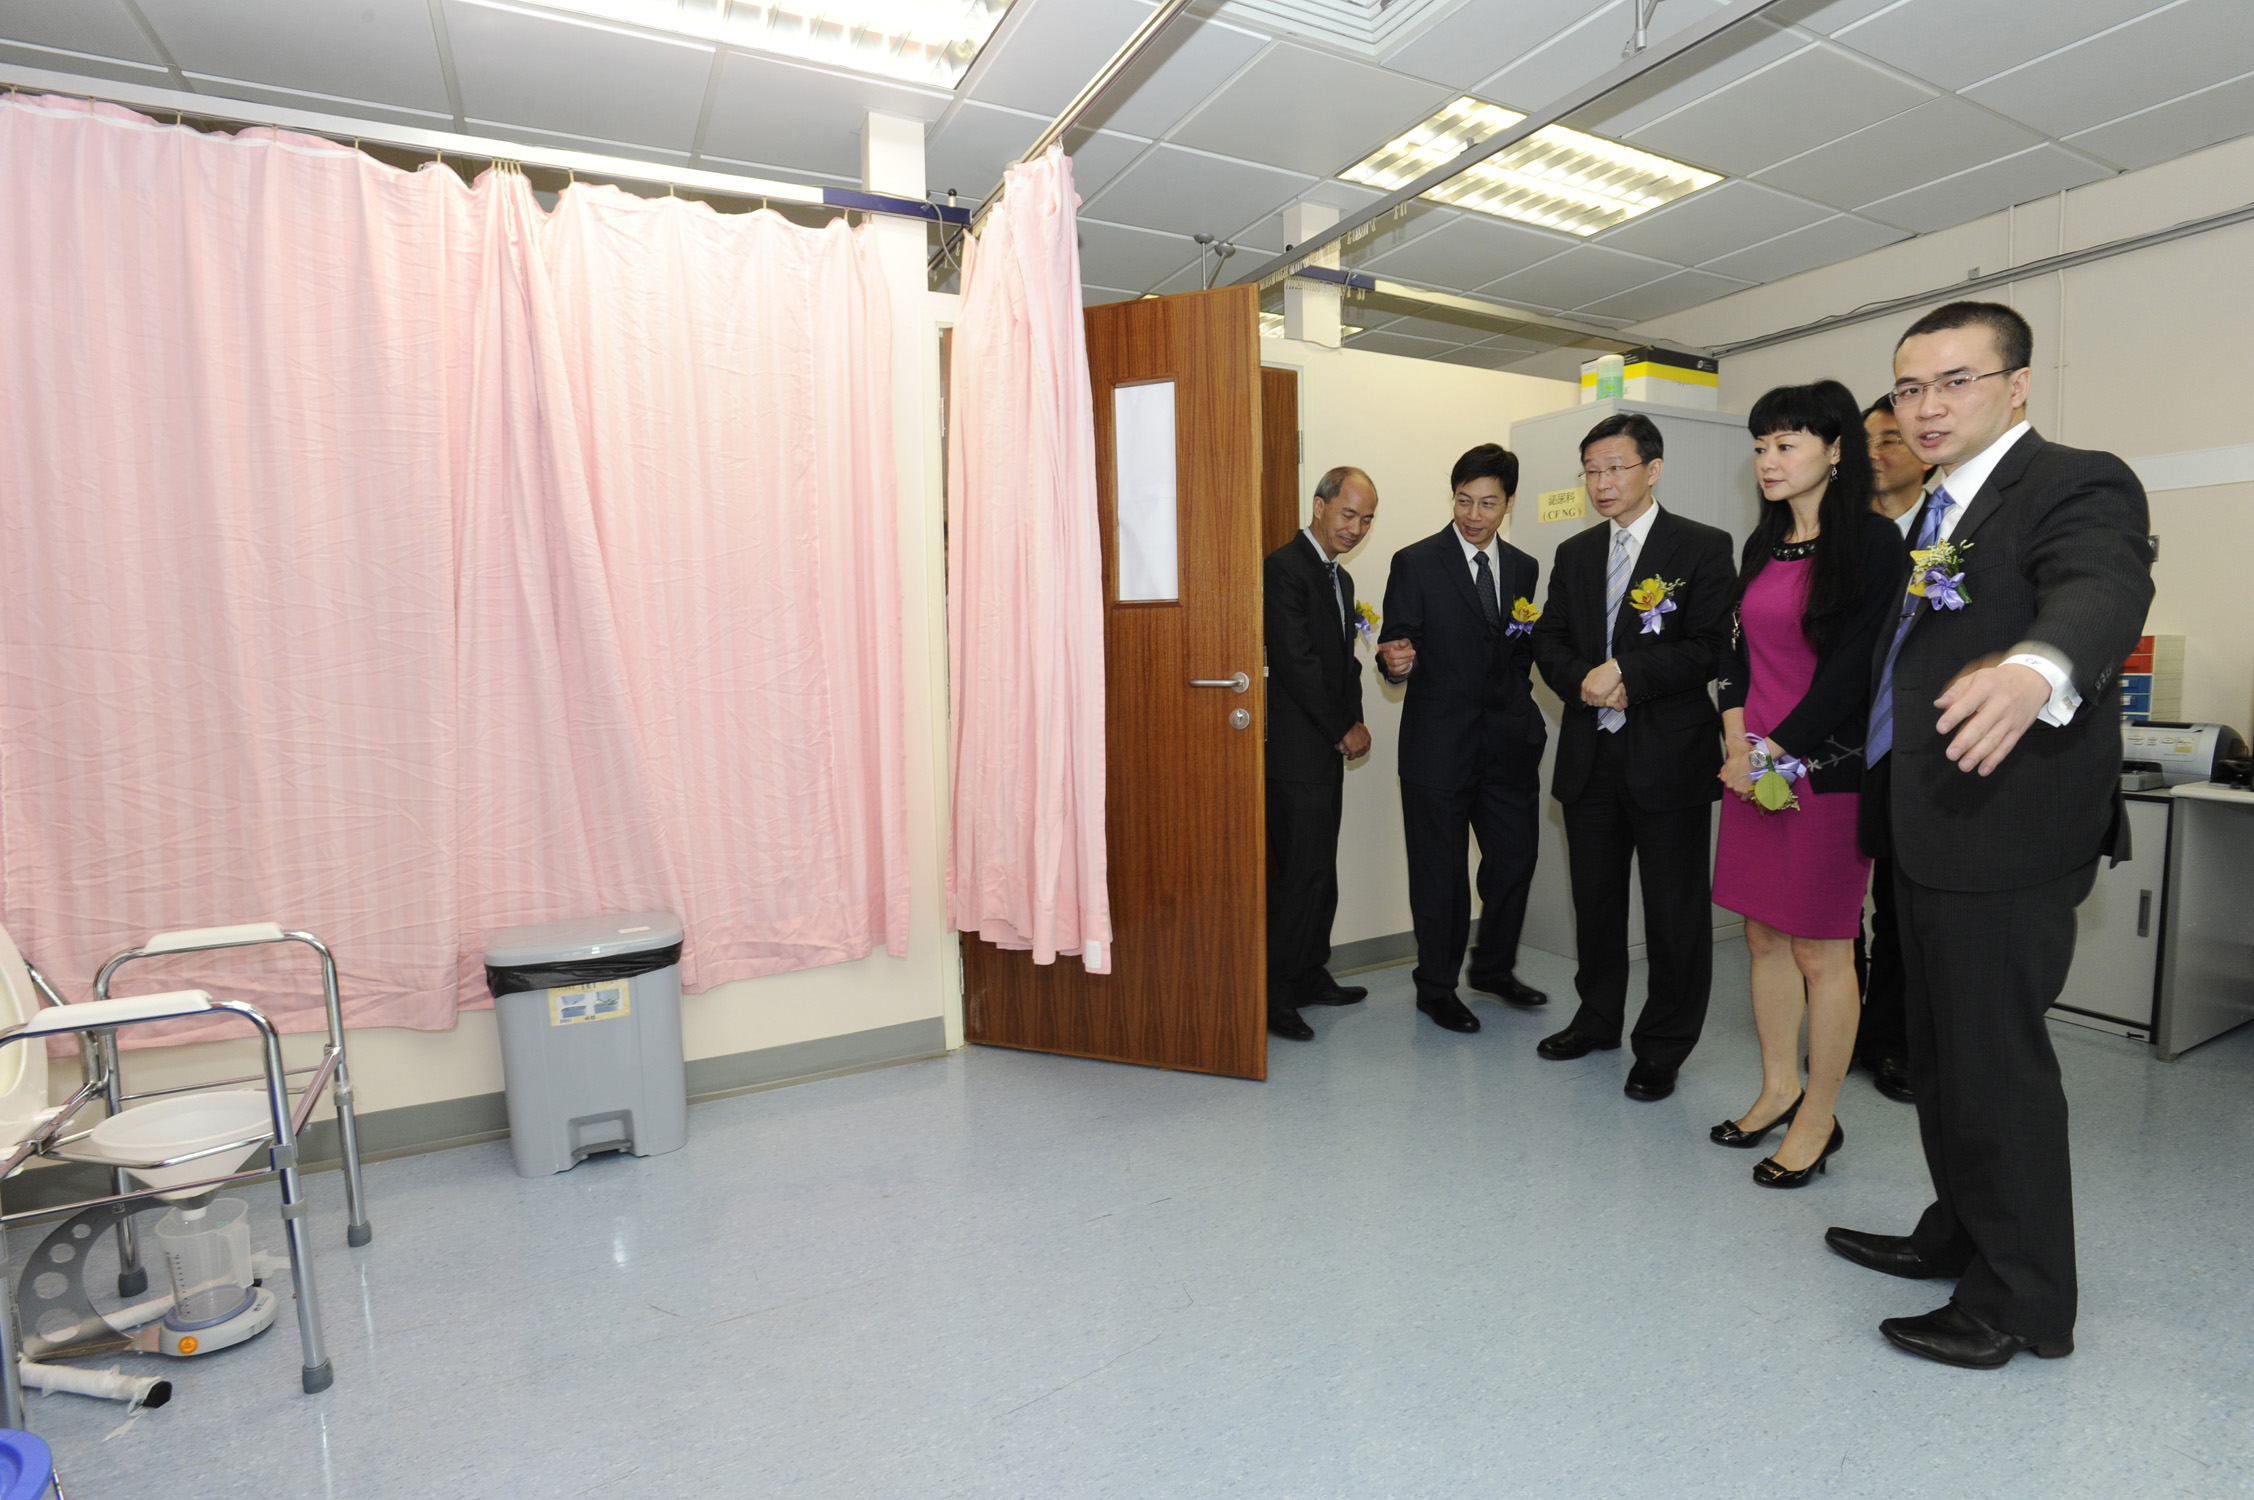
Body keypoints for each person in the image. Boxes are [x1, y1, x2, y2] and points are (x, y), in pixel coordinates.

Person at [1827, 301, 2152, 1370]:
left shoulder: (2072, 481)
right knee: (1939, 1058)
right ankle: (1959, 1234)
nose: (1926, 406)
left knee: (1995, 1068)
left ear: (2015, 386)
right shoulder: (1935, 513)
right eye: (1910, 386)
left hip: (2007, 835)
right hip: (1929, 828)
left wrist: (2034, 669)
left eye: (1955, 381)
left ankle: (2022, 1302)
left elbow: (2101, 584)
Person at [1708, 381, 1900, 1187]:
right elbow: (1738, 657)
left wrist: (1774, 752)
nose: (1768, 460)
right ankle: (1778, 1087)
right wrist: (1737, 744)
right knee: (1761, 936)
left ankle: (1818, 1117)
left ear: (1833, 450)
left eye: (1786, 444)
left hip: (1824, 772)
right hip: (1754, 769)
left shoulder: (1873, 543)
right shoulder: (1763, 545)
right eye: (1760, 446)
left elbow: (1852, 672)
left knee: (1824, 949)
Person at [1530, 414, 1735, 1100]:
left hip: (1668, 757)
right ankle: (1596, 1019)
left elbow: (1710, 646)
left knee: (1675, 911)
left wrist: (1625, 671)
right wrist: (1583, 681)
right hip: (1591, 753)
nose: (1601, 483)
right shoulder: (1575, 553)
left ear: (1654, 468)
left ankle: (1664, 1045)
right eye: (1591, 470)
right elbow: (1550, 641)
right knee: (1596, 903)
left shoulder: (1703, 547)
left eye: (1615, 467)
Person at [1374, 445, 1548, 1034]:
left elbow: (1521, 651)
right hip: (1438, 747)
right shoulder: (1415, 562)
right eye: (1464, 500)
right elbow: (1396, 647)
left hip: (1506, 746)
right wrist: (1394, 664)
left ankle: (1494, 968)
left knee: (1515, 859)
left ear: (1509, 504)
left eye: (1488, 503)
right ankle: (1437, 986)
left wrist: (1522, 714)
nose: (1474, 514)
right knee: (1439, 872)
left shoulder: (1524, 567)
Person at [1263, 466, 1379, 1041]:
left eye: (1366, 518)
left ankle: (1310, 973)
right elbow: (1297, 662)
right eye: (1348, 513)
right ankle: (1275, 993)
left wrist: (1354, 720)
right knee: (1298, 874)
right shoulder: (1284, 569)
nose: (1356, 527)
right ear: (1319, 506)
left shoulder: (1340, 578)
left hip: (1324, 747)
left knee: (1319, 871)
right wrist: (1342, 728)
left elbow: (1345, 662)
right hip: (1294, 752)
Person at [1854, 395, 1931, 1104]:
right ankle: (1844, 1026)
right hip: (1837, 744)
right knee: (1833, 900)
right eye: (1867, 439)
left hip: (1909, 749)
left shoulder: (1944, 537)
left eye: (1892, 439)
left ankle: (1893, 1040)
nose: (1877, 452)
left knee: (1898, 905)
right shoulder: (1838, 534)